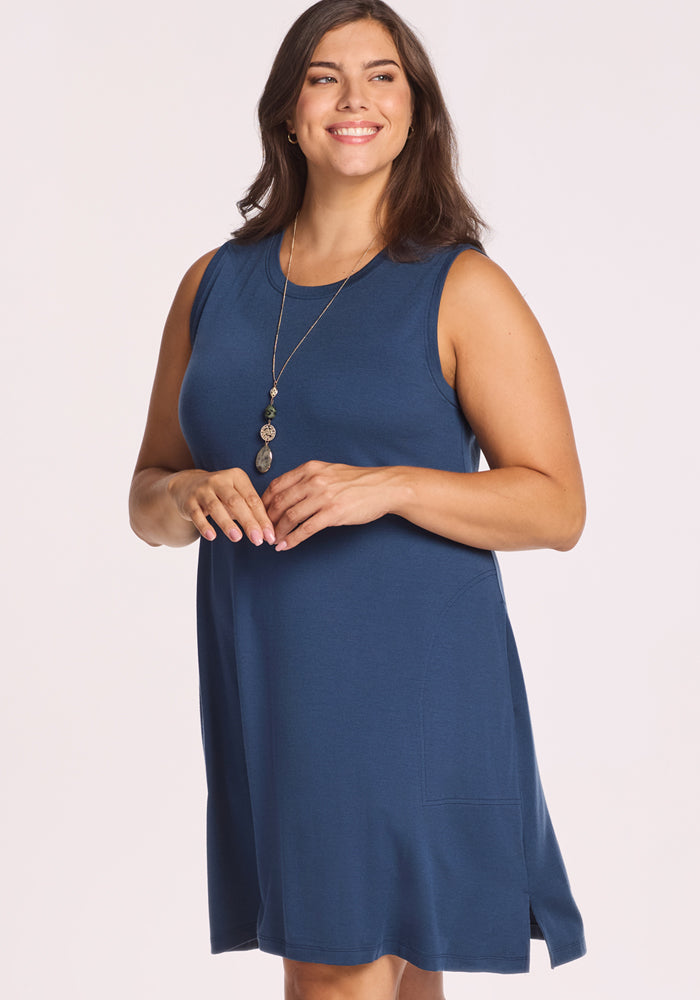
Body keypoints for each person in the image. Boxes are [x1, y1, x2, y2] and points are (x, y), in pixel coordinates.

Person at [129, 1, 588, 997]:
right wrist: (193, 494)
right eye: (325, 75)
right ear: (288, 109)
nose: (355, 99)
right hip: (269, 675)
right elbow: (146, 495)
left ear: (416, 111)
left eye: (383, 75)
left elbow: (556, 508)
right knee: (385, 971)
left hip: (405, 680)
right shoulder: (211, 282)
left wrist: (388, 486)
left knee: (338, 968)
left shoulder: (461, 286)